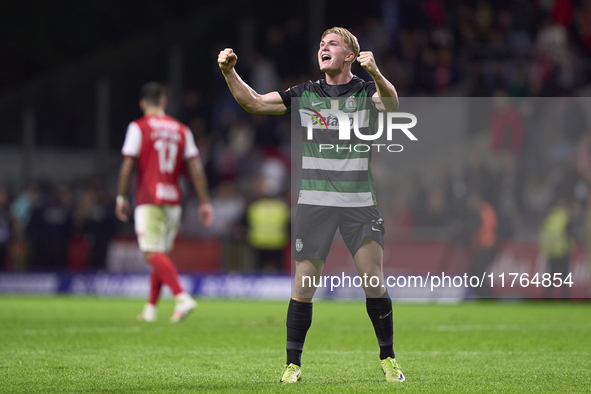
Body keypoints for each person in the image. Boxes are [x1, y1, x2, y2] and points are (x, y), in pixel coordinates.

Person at [218, 27, 404, 383]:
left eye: (333, 43)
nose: (324, 47)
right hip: (315, 204)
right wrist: (229, 72)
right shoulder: (304, 94)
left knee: (373, 281)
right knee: (302, 287)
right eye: (321, 43)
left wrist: (377, 72)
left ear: (350, 55)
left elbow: (392, 103)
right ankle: (293, 365)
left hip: (358, 203)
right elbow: (254, 101)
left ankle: (388, 358)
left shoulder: (366, 91)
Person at [115, 82, 214, 323]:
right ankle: (150, 309)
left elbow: (128, 165)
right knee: (160, 256)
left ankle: (182, 297)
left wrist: (121, 196)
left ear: (142, 104)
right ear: (164, 102)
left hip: (149, 198)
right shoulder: (181, 129)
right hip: (174, 200)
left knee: (151, 253)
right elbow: (196, 169)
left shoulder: (138, 127)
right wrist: (205, 202)